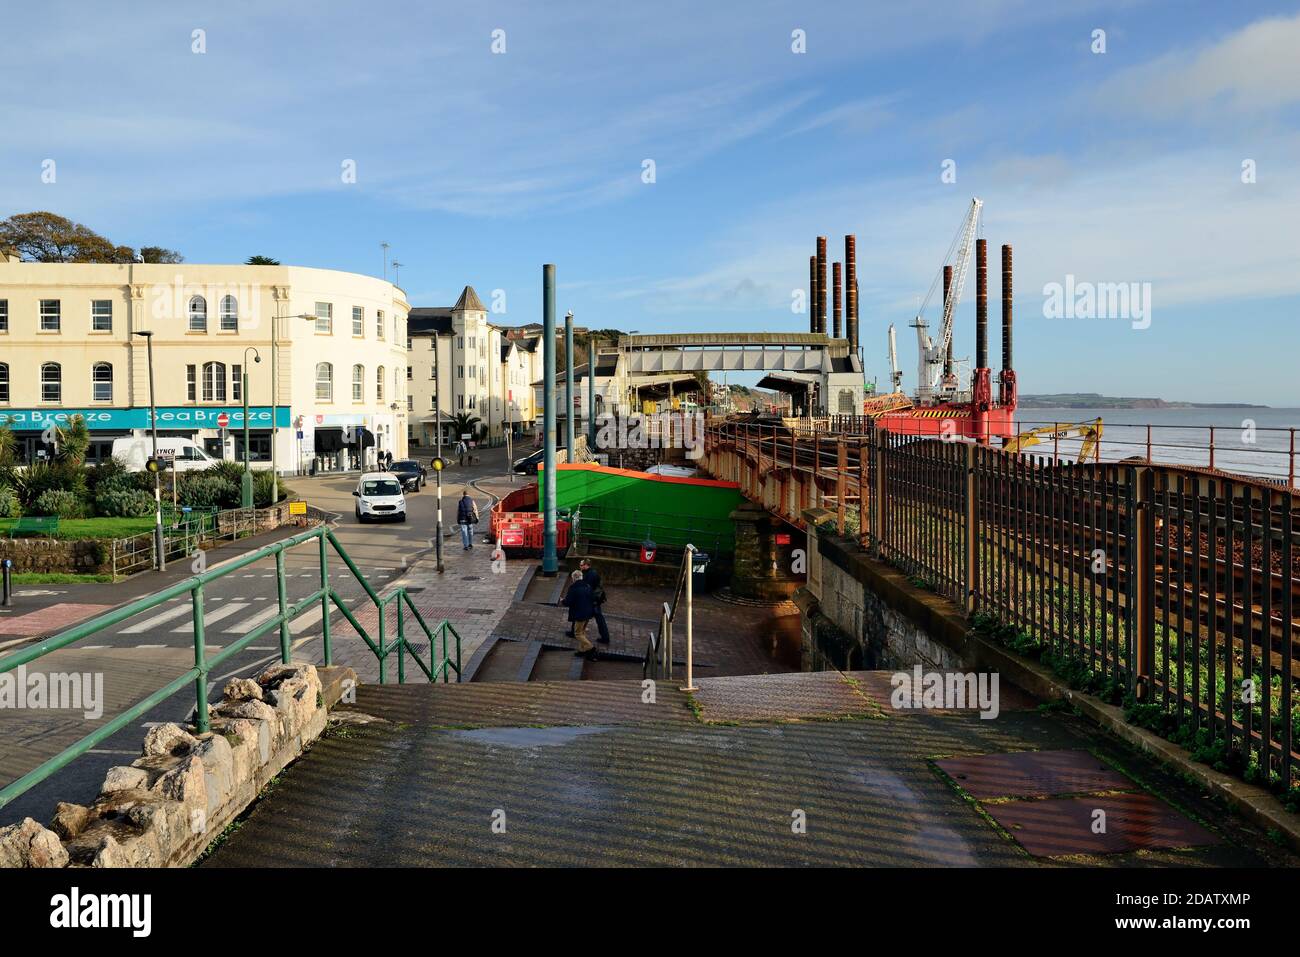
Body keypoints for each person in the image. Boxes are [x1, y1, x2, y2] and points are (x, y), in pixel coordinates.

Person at [562, 569, 597, 658]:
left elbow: (568, 602)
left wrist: (562, 600)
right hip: (588, 613)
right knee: (582, 632)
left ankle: (590, 647)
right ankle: (582, 650)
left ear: (573, 578)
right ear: (581, 577)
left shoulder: (573, 588)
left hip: (579, 614)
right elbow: (593, 598)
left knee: (577, 633)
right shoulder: (588, 586)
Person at [579, 558, 610, 644]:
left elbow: (587, 588)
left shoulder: (589, 575)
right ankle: (605, 637)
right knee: (599, 619)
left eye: (581, 565)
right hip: (595, 600)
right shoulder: (592, 573)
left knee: (581, 615)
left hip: (592, 600)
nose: (580, 567)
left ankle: (576, 632)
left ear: (586, 565)